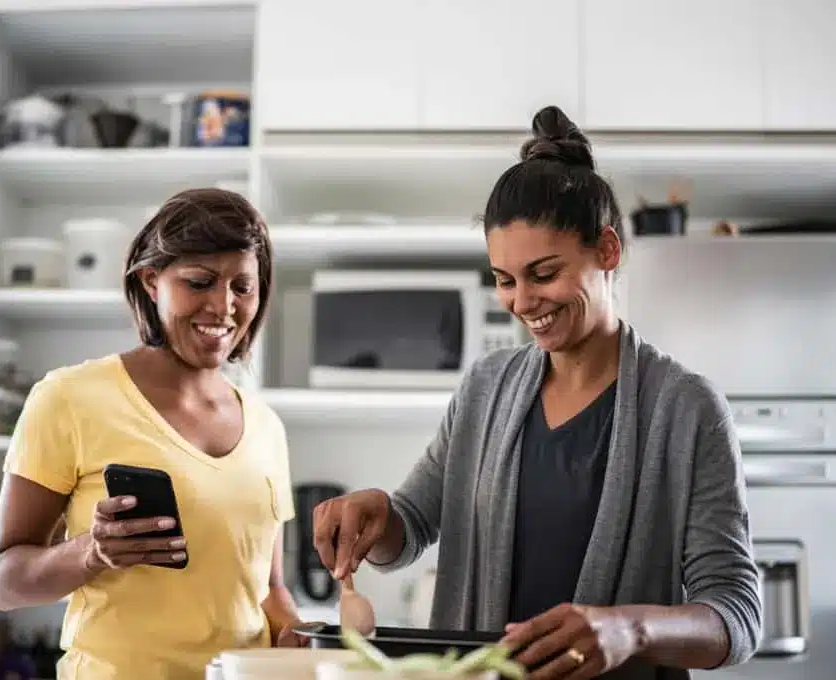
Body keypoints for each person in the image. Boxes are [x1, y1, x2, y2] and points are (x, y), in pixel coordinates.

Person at [312, 107, 762, 680]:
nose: (523, 302)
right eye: (505, 280)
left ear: (607, 251)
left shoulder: (687, 409)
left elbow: (737, 614)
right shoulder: (485, 388)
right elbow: (411, 525)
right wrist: (375, 517)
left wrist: (629, 630)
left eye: (544, 274)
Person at [0, 188, 306, 680]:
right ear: (151, 281)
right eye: (200, 282)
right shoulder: (68, 397)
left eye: (242, 287)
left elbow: (268, 589)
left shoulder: (266, 426)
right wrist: (91, 553)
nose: (224, 306)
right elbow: (3, 583)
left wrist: (299, 633)